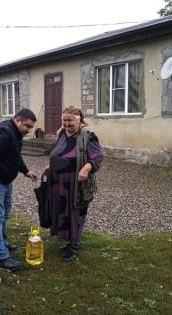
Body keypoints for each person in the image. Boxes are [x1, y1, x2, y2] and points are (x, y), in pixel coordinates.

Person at [0, 108, 38, 272]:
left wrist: (25, 171)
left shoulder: (16, 134)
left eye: (31, 127)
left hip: (5, 182)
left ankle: (3, 243)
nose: (28, 130)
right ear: (17, 120)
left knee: (4, 214)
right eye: (27, 126)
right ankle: (2, 257)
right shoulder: (3, 133)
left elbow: (15, 156)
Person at [43, 106, 104, 261]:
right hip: (59, 182)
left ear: (79, 120)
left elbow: (98, 156)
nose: (66, 123)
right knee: (63, 211)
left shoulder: (87, 136)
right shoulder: (62, 134)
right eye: (64, 120)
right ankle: (68, 239)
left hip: (77, 183)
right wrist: (51, 166)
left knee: (76, 212)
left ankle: (75, 245)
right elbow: (60, 152)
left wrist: (86, 168)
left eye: (70, 120)